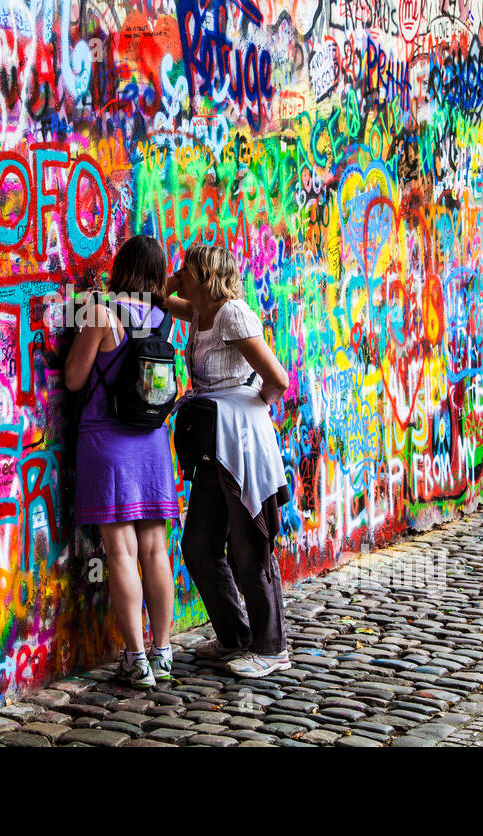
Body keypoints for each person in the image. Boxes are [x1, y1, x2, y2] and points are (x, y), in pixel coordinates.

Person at [160, 243, 292, 678]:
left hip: (240, 437)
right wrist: (172, 281)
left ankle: (271, 648)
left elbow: (277, 381)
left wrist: (251, 410)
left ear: (204, 275)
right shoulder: (198, 312)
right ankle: (237, 638)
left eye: (186, 268)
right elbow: (158, 296)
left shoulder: (233, 313)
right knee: (199, 544)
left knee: (248, 544)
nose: (179, 272)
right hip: (212, 439)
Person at [64, 235, 179, 688]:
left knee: (121, 554)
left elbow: (74, 379)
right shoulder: (165, 318)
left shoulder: (101, 311)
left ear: (121, 267)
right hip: (152, 444)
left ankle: (136, 659)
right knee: (155, 552)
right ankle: (163, 651)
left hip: (106, 444)